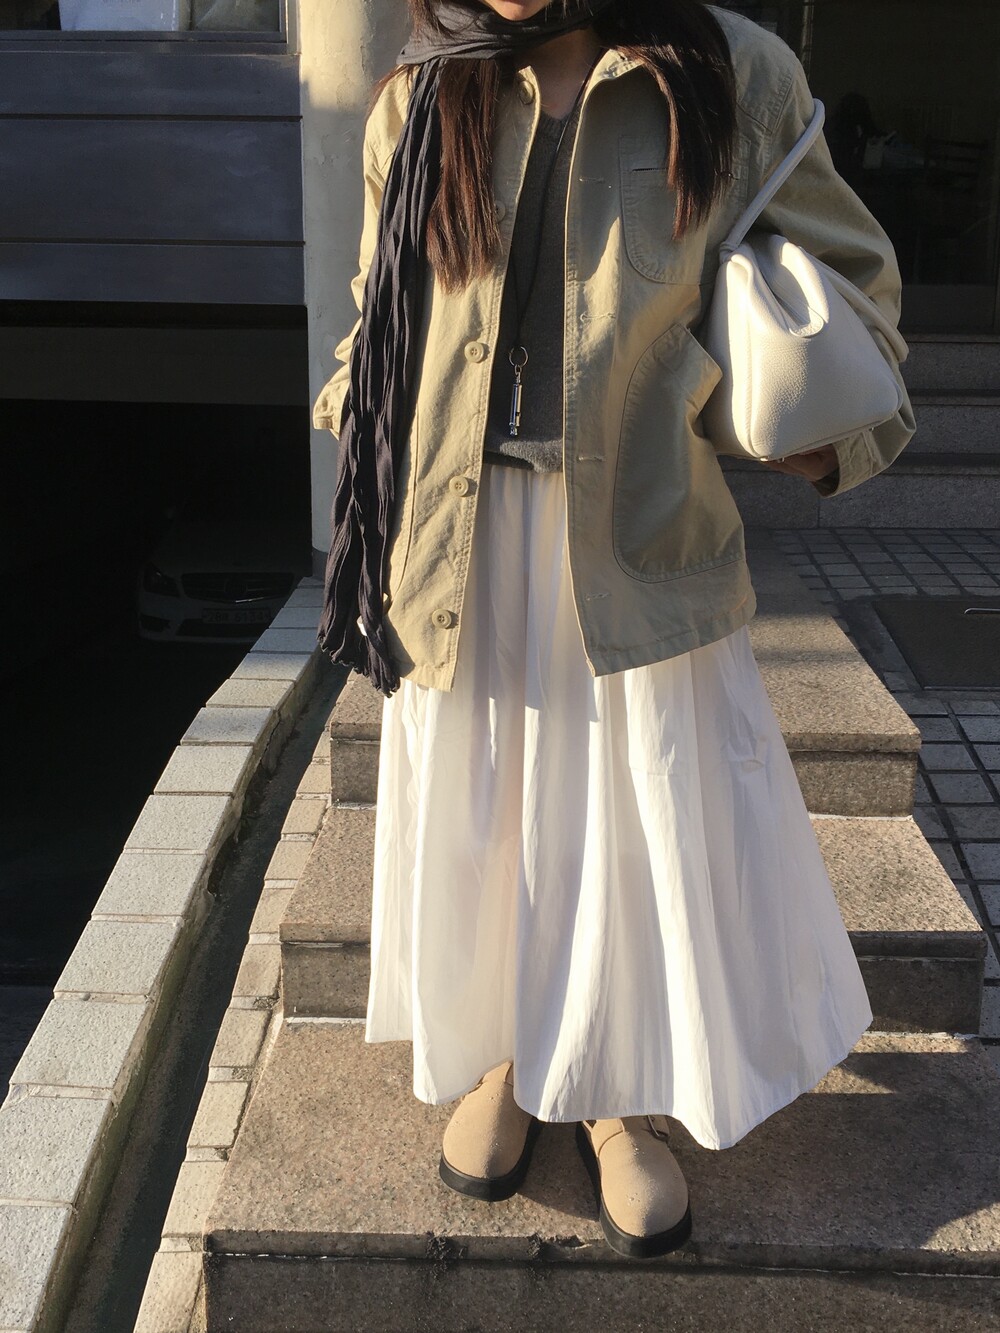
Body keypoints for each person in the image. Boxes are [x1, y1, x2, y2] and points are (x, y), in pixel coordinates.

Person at [313, 0, 915, 1260]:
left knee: (631, 822)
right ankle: (508, 1057)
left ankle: (616, 1095)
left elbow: (857, 287)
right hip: (459, 534)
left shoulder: (727, 72)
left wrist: (804, 422)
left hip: (635, 533)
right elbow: (385, 301)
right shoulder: (424, 90)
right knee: (488, 812)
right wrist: (356, 418)